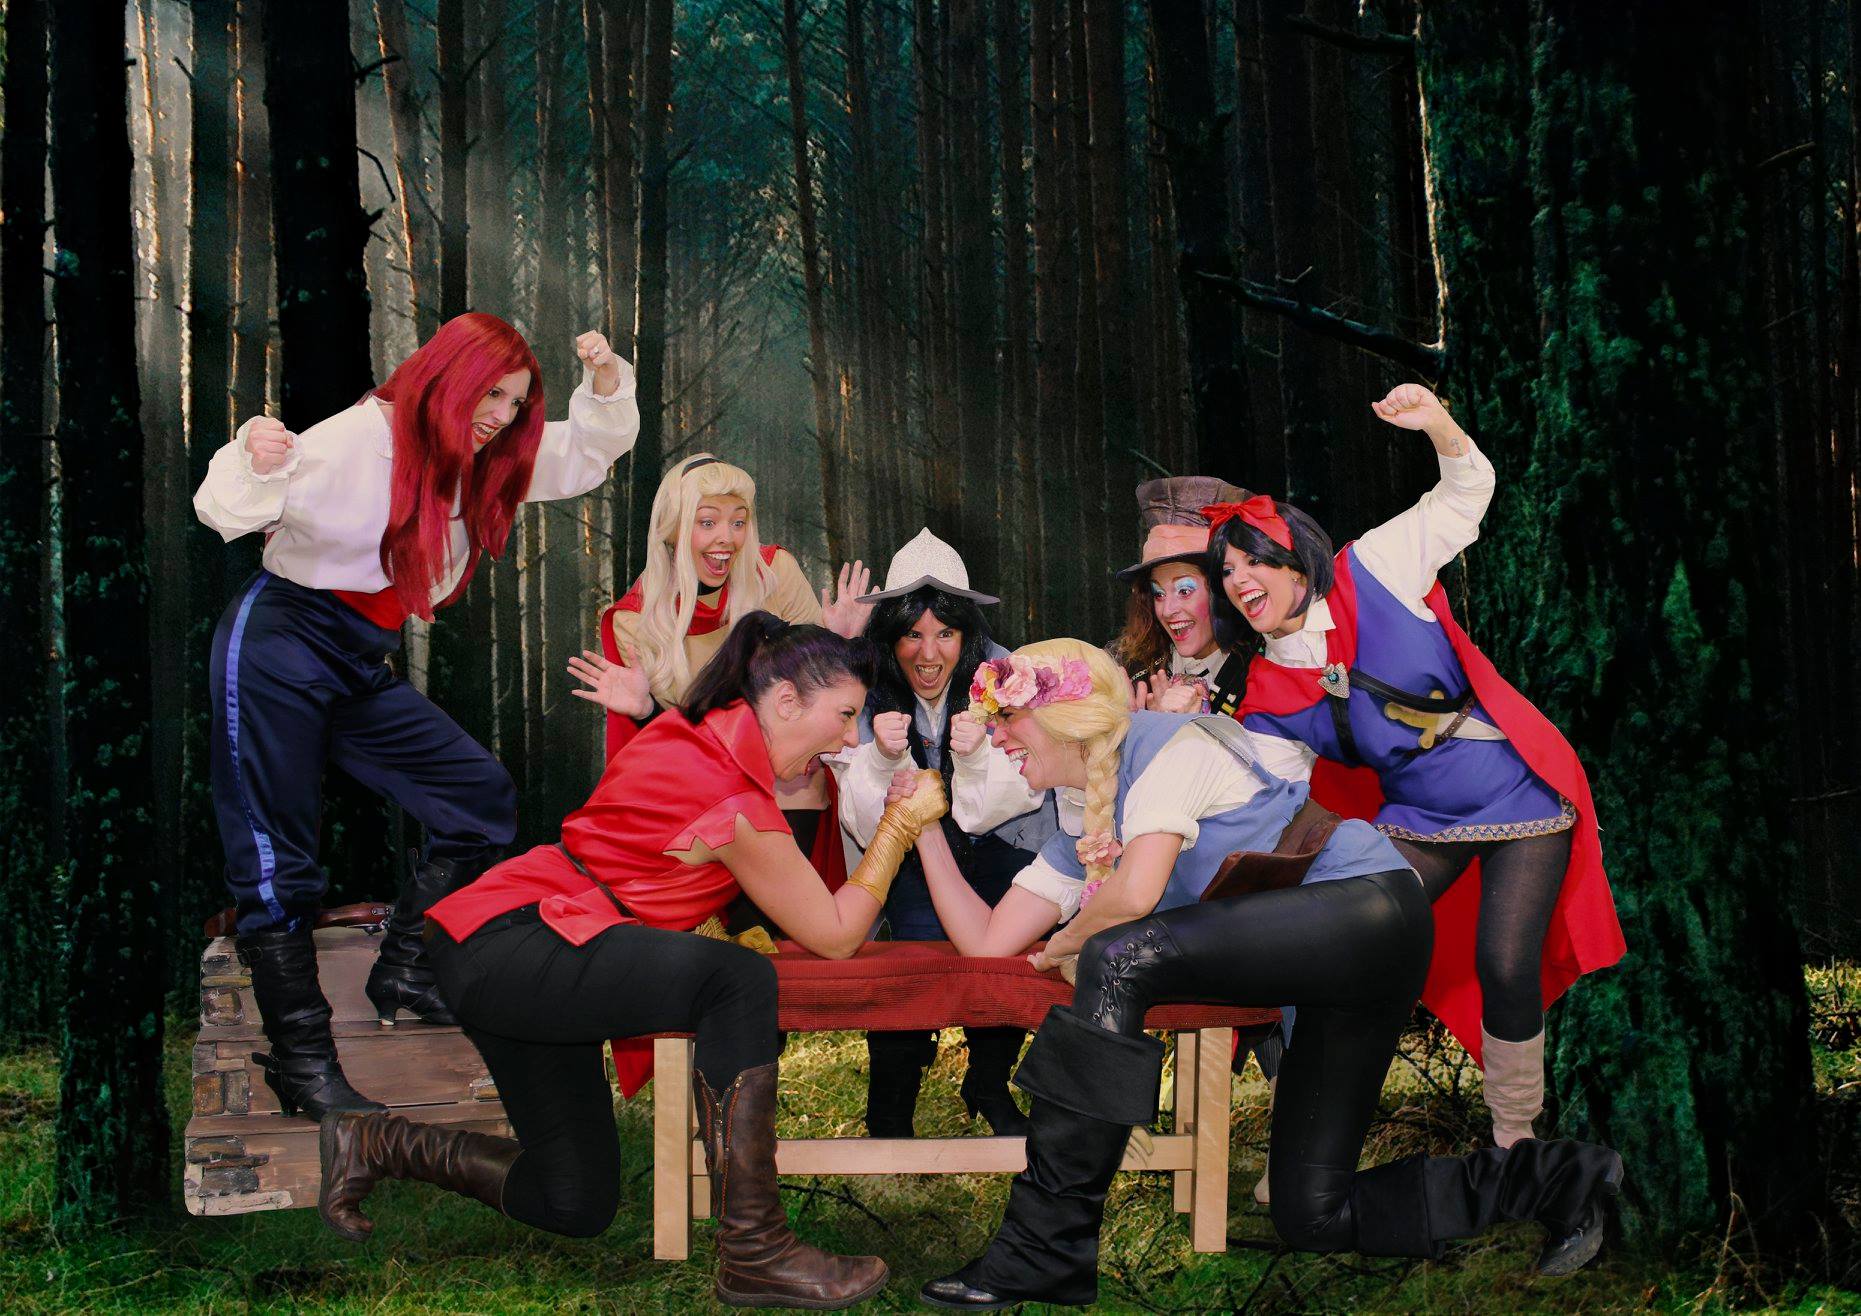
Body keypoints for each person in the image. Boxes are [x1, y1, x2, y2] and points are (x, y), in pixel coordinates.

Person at [905, 642, 1623, 1308]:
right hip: (1329, 968)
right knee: (1313, 1214)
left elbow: (1133, 896)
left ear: (1065, 716)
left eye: (1006, 717)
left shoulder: (1166, 745)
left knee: (1117, 956)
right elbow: (988, 942)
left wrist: (1065, 943)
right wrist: (923, 828)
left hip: (1369, 912)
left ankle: (1041, 1246)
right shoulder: (1080, 827)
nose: (995, 735)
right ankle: (1556, 1179)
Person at [316, 617, 948, 1309]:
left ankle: (375, 1142)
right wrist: (900, 827)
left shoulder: (699, 735)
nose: (851, 738)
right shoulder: (730, 797)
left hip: (523, 944)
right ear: (788, 702)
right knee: (735, 979)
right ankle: (756, 1250)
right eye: (846, 715)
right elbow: (836, 934)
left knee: (574, 1201)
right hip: (514, 937)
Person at [193, 312, 638, 1119]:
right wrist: (254, 458)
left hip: (356, 655)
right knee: (275, 858)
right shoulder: (356, 439)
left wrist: (605, 384)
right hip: (279, 642)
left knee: (476, 796)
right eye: (491, 394)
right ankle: (302, 1062)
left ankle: (405, 967)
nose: (501, 414)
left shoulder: (483, 458)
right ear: (447, 376)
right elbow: (227, 511)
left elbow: (581, 454)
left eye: (515, 400)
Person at [1210, 383, 1625, 1149]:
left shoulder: (1373, 566)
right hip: (1416, 816)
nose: (1238, 580)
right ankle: (1310, 1140)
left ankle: (1513, 1140)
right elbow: (1265, 798)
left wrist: (1437, 425)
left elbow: (1464, 496)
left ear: (1295, 557)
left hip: (1514, 791)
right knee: (1343, 946)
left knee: (1504, 963)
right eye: (1226, 571)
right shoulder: (1265, 691)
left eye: (1252, 560)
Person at [830, 529, 1057, 1137]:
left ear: (967, 634)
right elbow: (862, 817)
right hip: (912, 848)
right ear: (891, 636)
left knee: (1009, 952)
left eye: (945, 634)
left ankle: (989, 1081)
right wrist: (881, 757)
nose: (928, 653)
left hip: (1005, 842)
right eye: (912, 634)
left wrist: (979, 753)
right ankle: (890, 1111)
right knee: (913, 955)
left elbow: (1021, 793)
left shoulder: (1008, 678)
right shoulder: (863, 683)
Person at [1109, 476, 1256, 718]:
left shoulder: (1263, 671)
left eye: (1184, 591)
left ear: (1222, 589)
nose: (1167, 610)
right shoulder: (1127, 666)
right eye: (1158, 594)